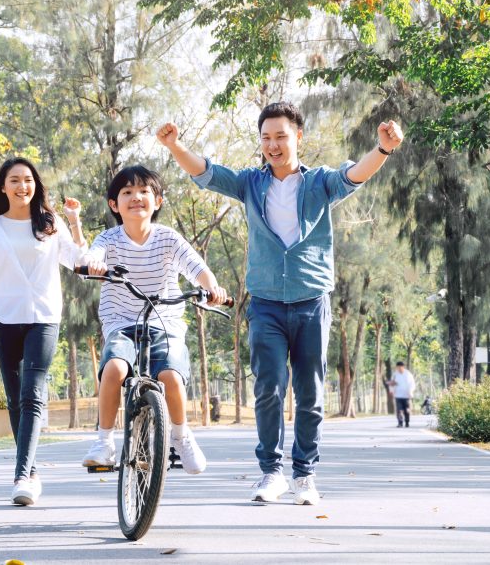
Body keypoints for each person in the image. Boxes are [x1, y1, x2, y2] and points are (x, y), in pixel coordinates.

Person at [158, 101, 403, 506]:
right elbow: (207, 172)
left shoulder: (319, 182)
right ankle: (271, 472)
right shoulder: (251, 183)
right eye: (266, 138)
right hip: (267, 303)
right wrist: (175, 146)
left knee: (309, 391)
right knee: (269, 387)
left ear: (298, 137)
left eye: (281, 137)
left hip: (310, 299)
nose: (273, 145)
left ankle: (304, 474)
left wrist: (382, 149)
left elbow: (354, 175)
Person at [0, 157, 86, 506]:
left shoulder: (50, 223)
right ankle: (32, 469)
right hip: (4, 317)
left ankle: (21, 476)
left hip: (43, 317)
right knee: (15, 399)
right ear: (3, 187)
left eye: (28, 180)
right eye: (14, 180)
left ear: (35, 185)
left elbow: (78, 261)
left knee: (32, 393)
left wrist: (75, 221)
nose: (22, 186)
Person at [79, 165, 228, 474]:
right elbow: (94, 255)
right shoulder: (109, 238)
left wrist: (211, 287)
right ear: (114, 204)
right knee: (115, 369)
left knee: (171, 377)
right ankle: (104, 442)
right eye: (127, 193)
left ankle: (181, 436)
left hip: (165, 322)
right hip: (121, 322)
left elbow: (196, 267)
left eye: (144, 191)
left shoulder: (167, 239)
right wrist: (94, 265)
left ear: (157, 201)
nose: (136, 198)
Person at [387, 361, 416, 427]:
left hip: (406, 395)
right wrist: (391, 391)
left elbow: (412, 384)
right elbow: (391, 383)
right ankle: (400, 422)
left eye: (400, 367)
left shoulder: (408, 374)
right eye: (398, 367)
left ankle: (407, 422)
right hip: (398, 395)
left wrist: (411, 391)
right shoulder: (395, 375)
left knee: (407, 410)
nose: (399, 369)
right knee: (399, 410)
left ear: (403, 367)